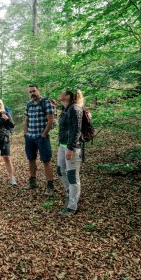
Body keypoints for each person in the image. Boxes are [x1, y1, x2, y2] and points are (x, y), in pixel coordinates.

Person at [23, 85, 55, 194]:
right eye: (30, 92)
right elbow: (25, 120)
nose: (32, 93)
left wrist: (44, 134)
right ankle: (32, 182)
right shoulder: (29, 104)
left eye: (34, 91)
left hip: (42, 137)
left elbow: (50, 120)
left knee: (46, 160)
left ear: (38, 90)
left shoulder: (46, 102)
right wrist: (25, 134)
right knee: (31, 159)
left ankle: (50, 185)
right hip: (30, 137)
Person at [57, 88, 84, 217]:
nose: (59, 94)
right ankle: (71, 194)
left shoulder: (75, 109)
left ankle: (72, 206)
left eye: (62, 92)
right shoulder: (65, 109)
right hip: (62, 146)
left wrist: (70, 147)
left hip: (72, 147)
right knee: (60, 170)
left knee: (72, 175)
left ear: (67, 96)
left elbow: (76, 130)